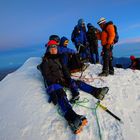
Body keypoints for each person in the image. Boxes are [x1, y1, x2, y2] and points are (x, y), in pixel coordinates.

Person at [40, 40, 109, 134]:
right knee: (60, 94)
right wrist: (52, 91)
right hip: (54, 82)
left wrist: (69, 81)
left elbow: (65, 70)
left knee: (77, 83)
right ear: (48, 49)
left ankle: (97, 91)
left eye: (55, 47)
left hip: (63, 80)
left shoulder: (59, 58)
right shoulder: (45, 62)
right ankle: (73, 118)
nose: (54, 49)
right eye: (51, 47)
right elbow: (47, 77)